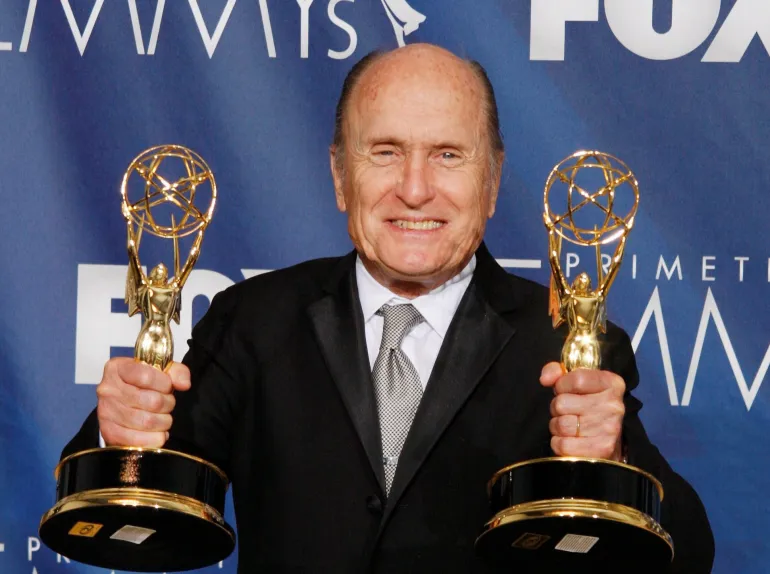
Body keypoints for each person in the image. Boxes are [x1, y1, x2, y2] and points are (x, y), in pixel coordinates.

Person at [62, 43, 714, 573]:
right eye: (386, 152)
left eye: (448, 155)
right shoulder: (251, 321)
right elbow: (137, 525)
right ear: (340, 176)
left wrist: (617, 456)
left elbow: (685, 557)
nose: (414, 189)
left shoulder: (565, 340)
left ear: (492, 181)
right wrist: (118, 438)